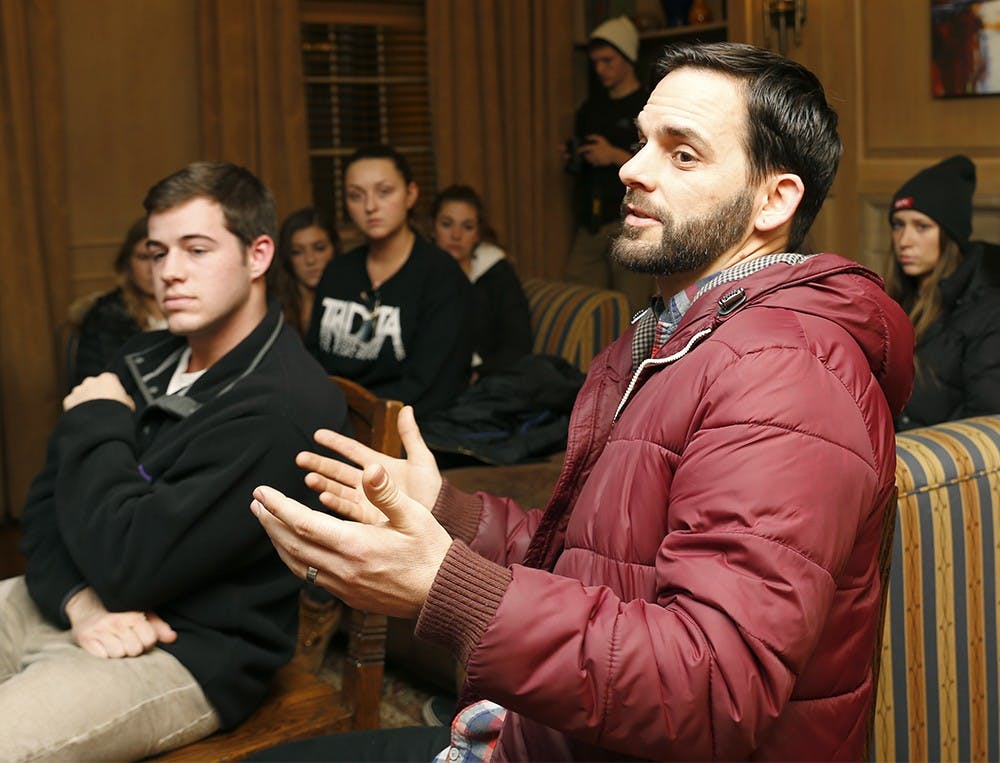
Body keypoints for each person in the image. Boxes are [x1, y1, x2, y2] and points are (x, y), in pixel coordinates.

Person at [250, 42, 915, 761]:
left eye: (682, 154)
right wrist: (447, 509)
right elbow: (603, 559)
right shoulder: (674, 334)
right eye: (640, 142)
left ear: (774, 200)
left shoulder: (783, 372)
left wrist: (447, 583)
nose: (632, 168)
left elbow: (712, 687)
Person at [2, 161, 350, 761]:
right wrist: (78, 603)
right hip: (75, 601)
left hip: (184, 651)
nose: (170, 273)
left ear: (259, 255)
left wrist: (101, 419)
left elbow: (133, 566)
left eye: (196, 249)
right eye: (158, 252)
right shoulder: (146, 353)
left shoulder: (282, 407)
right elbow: (44, 503)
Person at [306, 145, 473, 418]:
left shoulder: (441, 276)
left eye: (384, 192)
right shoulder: (338, 271)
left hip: (406, 427)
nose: (370, 206)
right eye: (356, 196)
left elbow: (434, 385)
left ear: (410, 195)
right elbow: (313, 359)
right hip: (331, 417)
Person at [886, 154, 1000, 429]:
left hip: (946, 464)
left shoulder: (988, 312)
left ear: (949, 236)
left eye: (922, 226)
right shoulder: (898, 301)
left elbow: (986, 419)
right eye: (898, 224)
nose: (905, 241)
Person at [563, 15, 653, 314]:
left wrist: (614, 156)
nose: (600, 69)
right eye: (596, 63)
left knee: (631, 310)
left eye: (608, 60)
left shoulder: (648, 106)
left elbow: (659, 167)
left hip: (632, 220)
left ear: (628, 57)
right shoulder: (589, 109)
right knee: (581, 305)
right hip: (591, 220)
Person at [431, 184, 531, 379]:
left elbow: (518, 344)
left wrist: (481, 374)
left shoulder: (497, 274)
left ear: (477, 234)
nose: (456, 235)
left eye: (467, 227)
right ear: (433, 228)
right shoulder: (416, 273)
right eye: (446, 224)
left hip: (488, 381)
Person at [72, 216, 166, 385]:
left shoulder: (195, 309)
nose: (152, 269)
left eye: (159, 256)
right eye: (144, 258)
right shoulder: (105, 315)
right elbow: (91, 383)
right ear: (128, 262)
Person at [271, 206, 340, 336]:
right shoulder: (273, 308)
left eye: (319, 248)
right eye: (297, 252)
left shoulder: (351, 305)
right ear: (287, 257)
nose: (310, 260)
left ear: (334, 248)